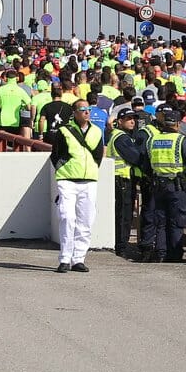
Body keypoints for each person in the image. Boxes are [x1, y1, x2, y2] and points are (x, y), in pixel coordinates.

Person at [47, 99, 104, 272]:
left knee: (86, 220)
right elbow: (56, 154)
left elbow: (98, 155)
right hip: (68, 179)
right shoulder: (64, 131)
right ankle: (65, 258)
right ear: (75, 113)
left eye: (88, 109)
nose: (87, 112)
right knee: (67, 218)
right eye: (83, 109)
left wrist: (91, 169)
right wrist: (63, 169)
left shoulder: (96, 131)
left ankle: (78, 258)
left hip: (89, 180)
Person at [142, 104, 186, 263]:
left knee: (160, 220)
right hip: (176, 186)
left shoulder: (152, 140)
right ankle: (174, 254)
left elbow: (146, 165)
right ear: (178, 124)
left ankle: (161, 253)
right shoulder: (180, 140)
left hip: (158, 185)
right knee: (177, 220)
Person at [106, 105, 147, 258]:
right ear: (120, 121)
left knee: (122, 214)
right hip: (122, 180)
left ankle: (121, 244)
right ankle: (122, 247)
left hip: (120, 179)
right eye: (128, 119)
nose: (132, 122)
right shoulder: (122, 138)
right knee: (124, 215)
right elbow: (135, 158)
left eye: (133, 119)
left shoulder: (117, 135)